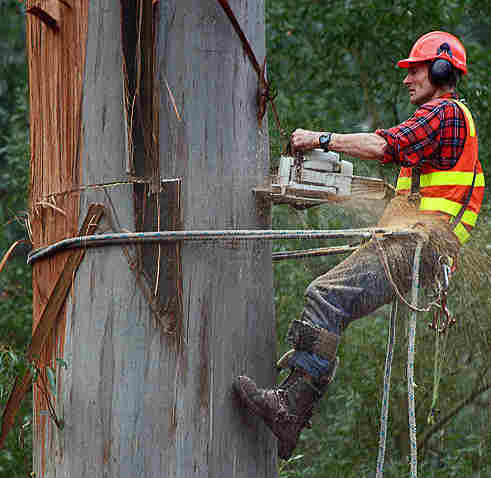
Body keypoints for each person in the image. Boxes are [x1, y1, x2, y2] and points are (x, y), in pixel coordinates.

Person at [233, 31, 485, 459]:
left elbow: (384, 145)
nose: (408, 80)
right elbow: (410, 191)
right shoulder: (445, 128)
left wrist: (319, 139)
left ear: (442, 70)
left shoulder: (443, 113)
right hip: (418, 248)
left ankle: (289, 408)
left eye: (416, 69)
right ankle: (293, 406)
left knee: (326, 296)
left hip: (418, 247)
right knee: (334, 303)